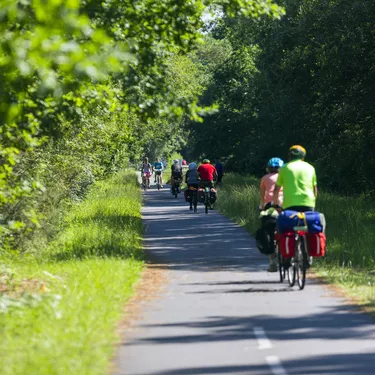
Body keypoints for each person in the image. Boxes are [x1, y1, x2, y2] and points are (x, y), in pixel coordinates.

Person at [272, 145, 317, 212]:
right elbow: (314, 190)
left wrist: (275, 204)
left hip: (290, 204)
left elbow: (276, 189)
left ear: (289, 156)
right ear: (303, 157)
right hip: (308, 204)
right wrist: (312, 202)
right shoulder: (311, 168)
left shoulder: (284, 168)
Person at [259, 157, 284, 272]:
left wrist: (261, 207)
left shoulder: (264, 178)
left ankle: (272, 259)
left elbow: (262, 196)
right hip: (285, 205)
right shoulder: (285, 177)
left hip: (270, 205)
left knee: (268, 231)